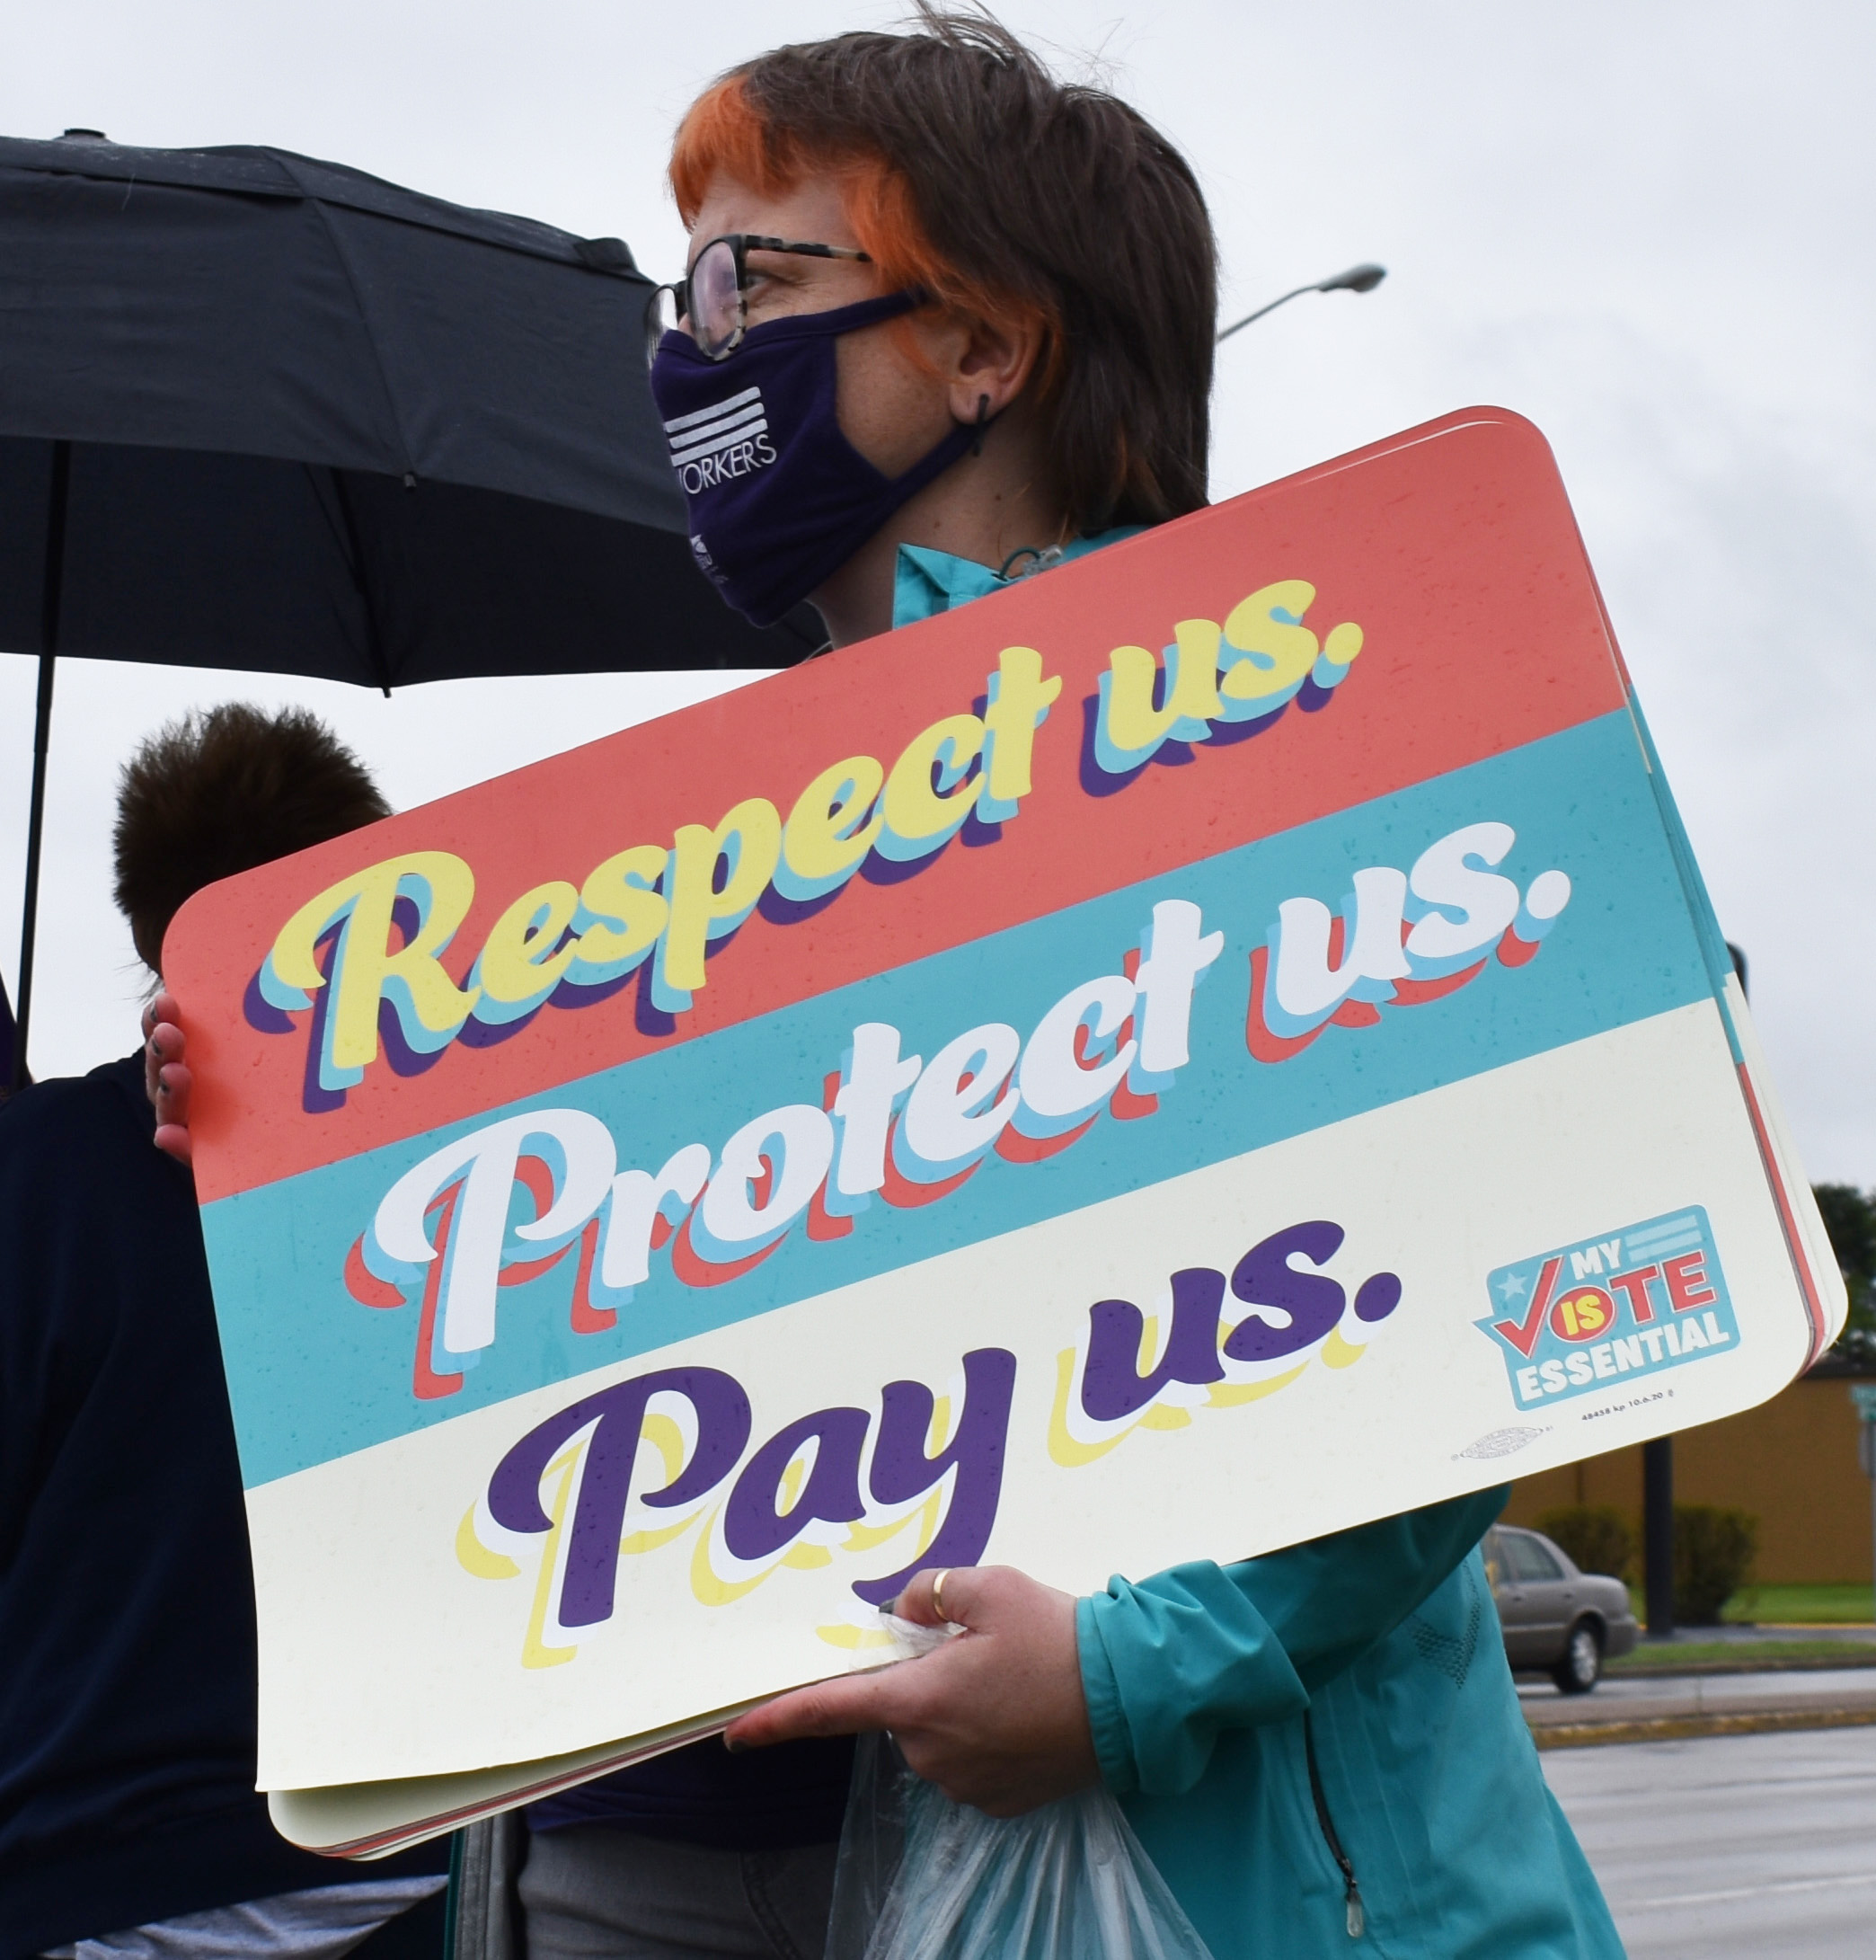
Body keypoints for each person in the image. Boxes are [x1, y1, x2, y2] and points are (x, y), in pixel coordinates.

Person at [148, 13, 1624, 1958]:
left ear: (983, 347)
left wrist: (1125, 1668)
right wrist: (308, 1128)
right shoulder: (747, 863)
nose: (689, 346)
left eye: (751, 275)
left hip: (1327, 1900)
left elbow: (1469, 1286)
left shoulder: (1269, 738)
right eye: (683, 283)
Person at [1, 706, 454, 1960]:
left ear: (155, 933)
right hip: (427, 1865)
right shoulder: (480, 1173)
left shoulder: (34, 1179)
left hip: (99, 1882)